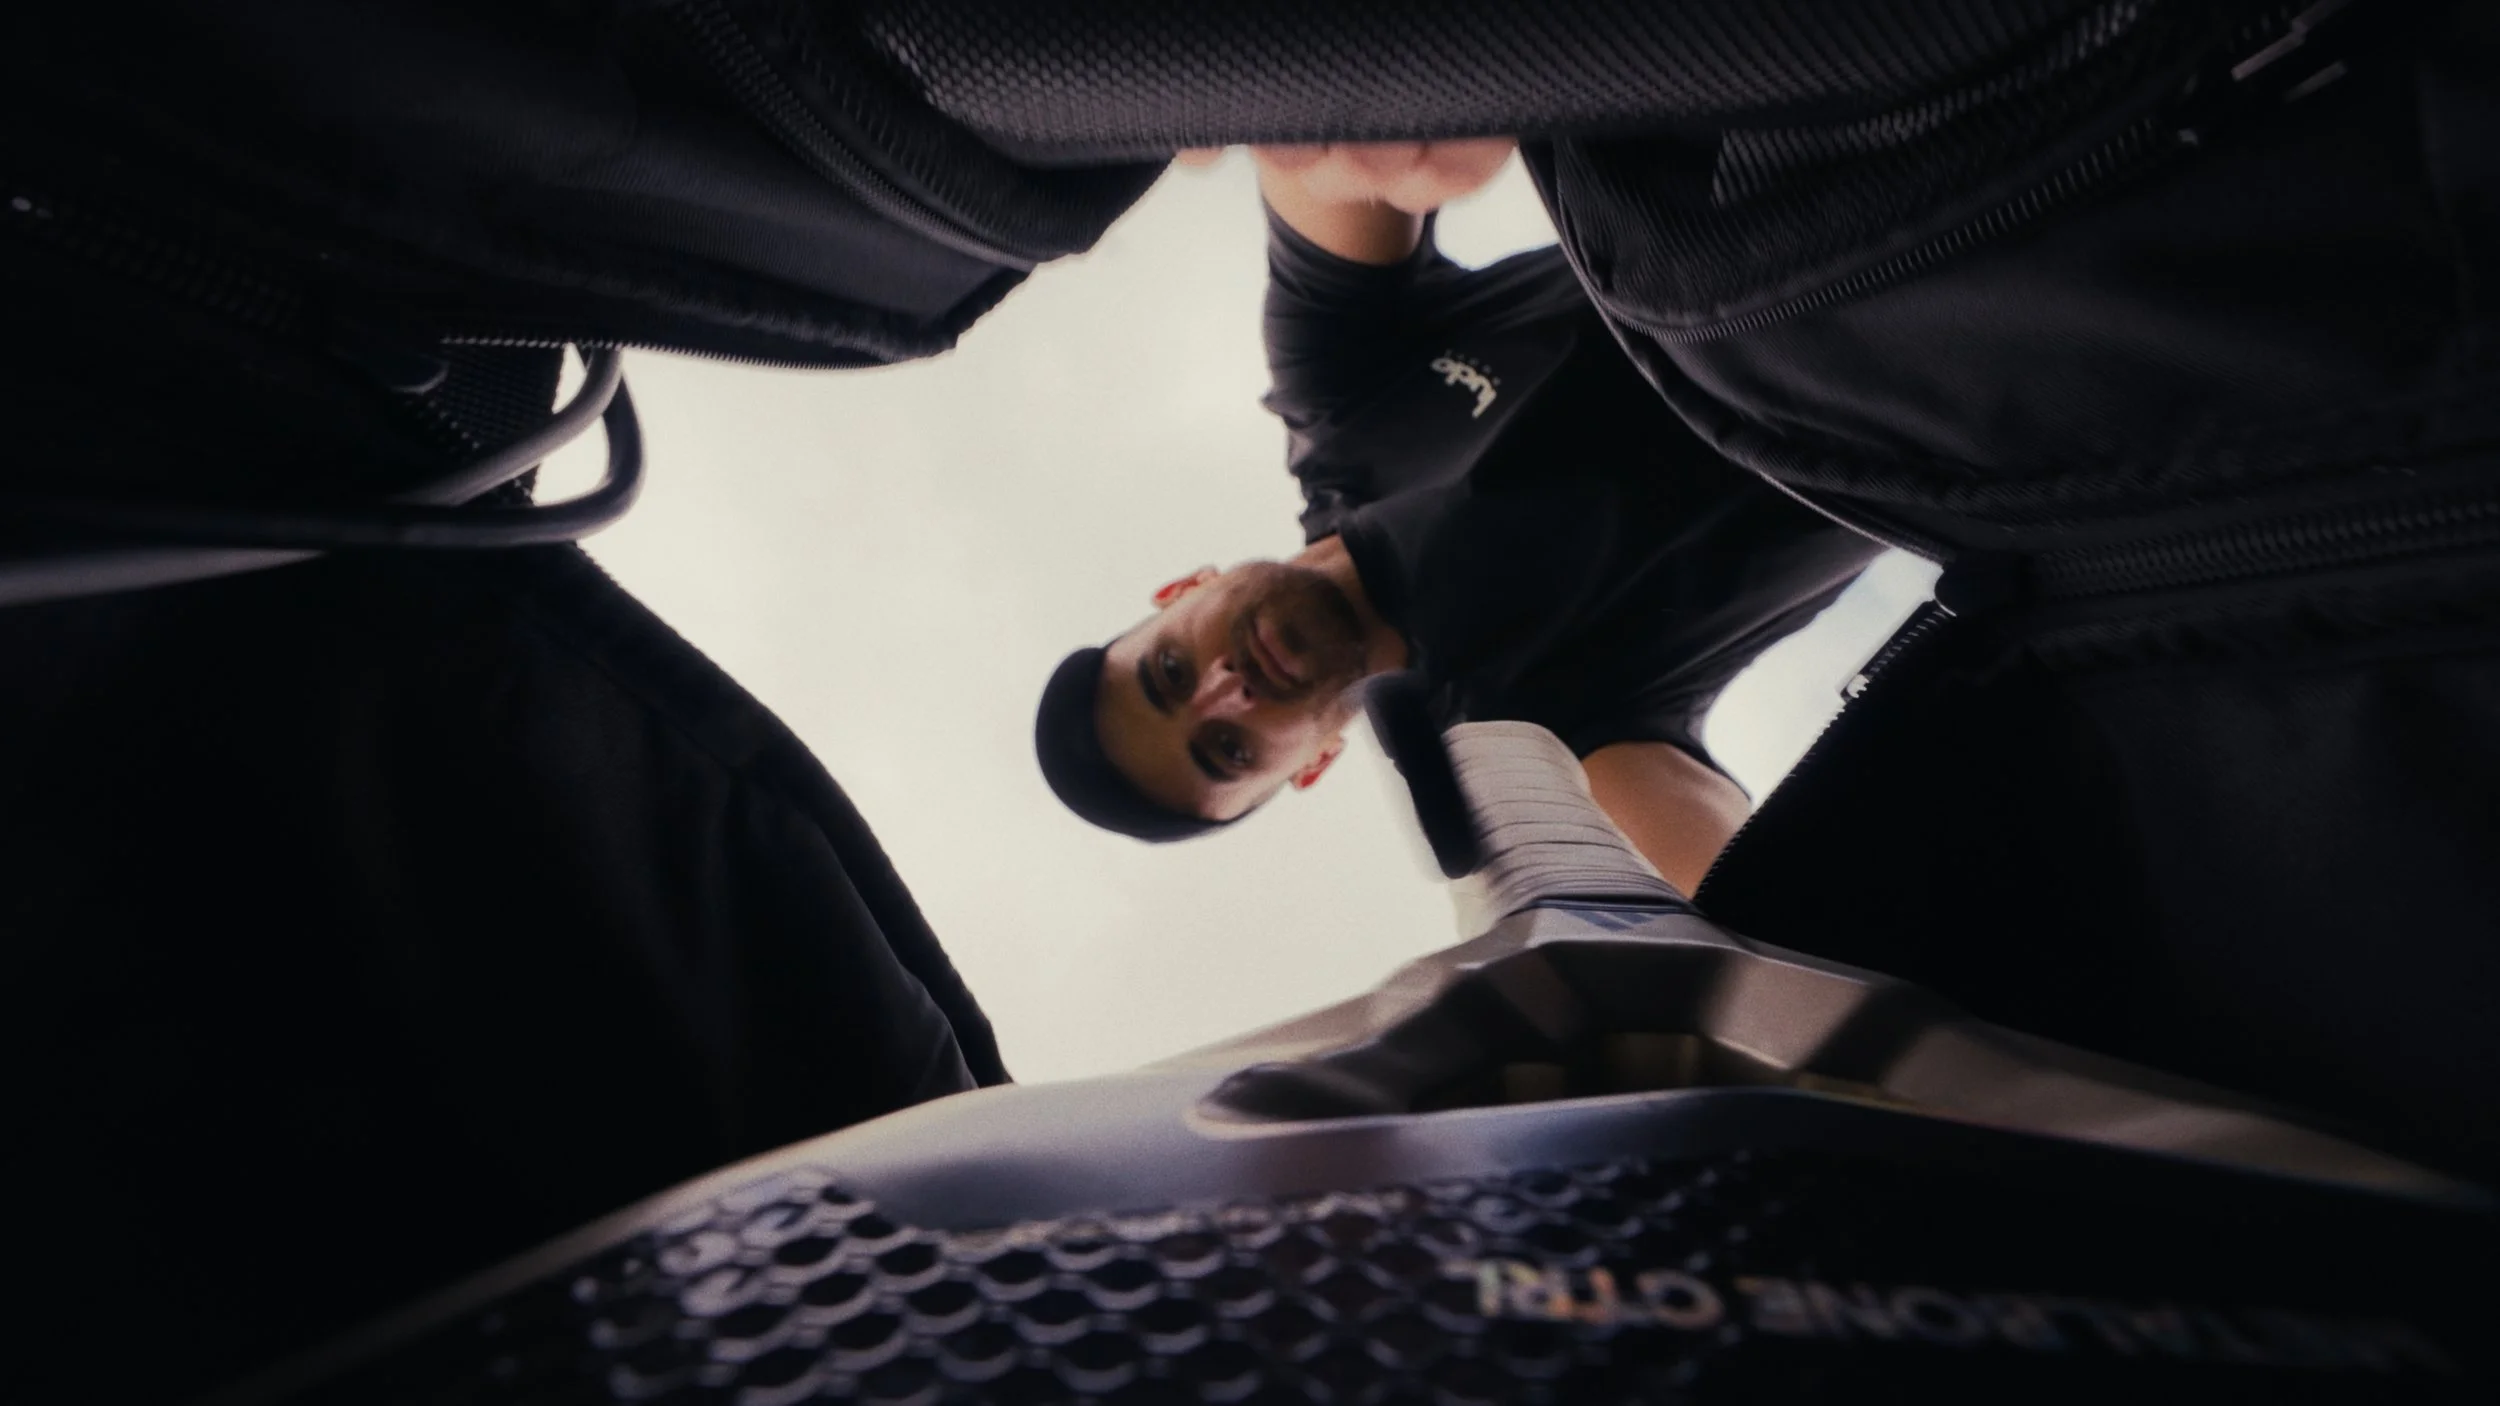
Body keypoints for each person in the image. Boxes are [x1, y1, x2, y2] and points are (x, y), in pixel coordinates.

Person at [1034, 142, 1883, 892]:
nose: (1228, 690)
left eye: (1172, 672)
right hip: (1973, 357)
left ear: (1188, 585)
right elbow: (1753, 915)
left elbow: (1312, 133)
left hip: (1818, 146)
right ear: (1313, 765)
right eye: (1228, 749)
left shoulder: (1338, 392)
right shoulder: (1529, 741)